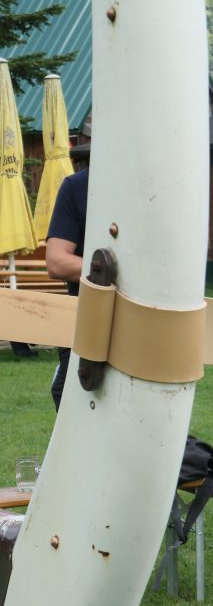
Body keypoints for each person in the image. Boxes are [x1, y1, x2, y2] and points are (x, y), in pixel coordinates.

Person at [45, 142, 90, 410]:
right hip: (85, 315)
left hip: (145, 318)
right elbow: (56, 261)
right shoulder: (78, 186)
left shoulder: (156, 185)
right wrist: (111, 272)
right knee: (67, 393)